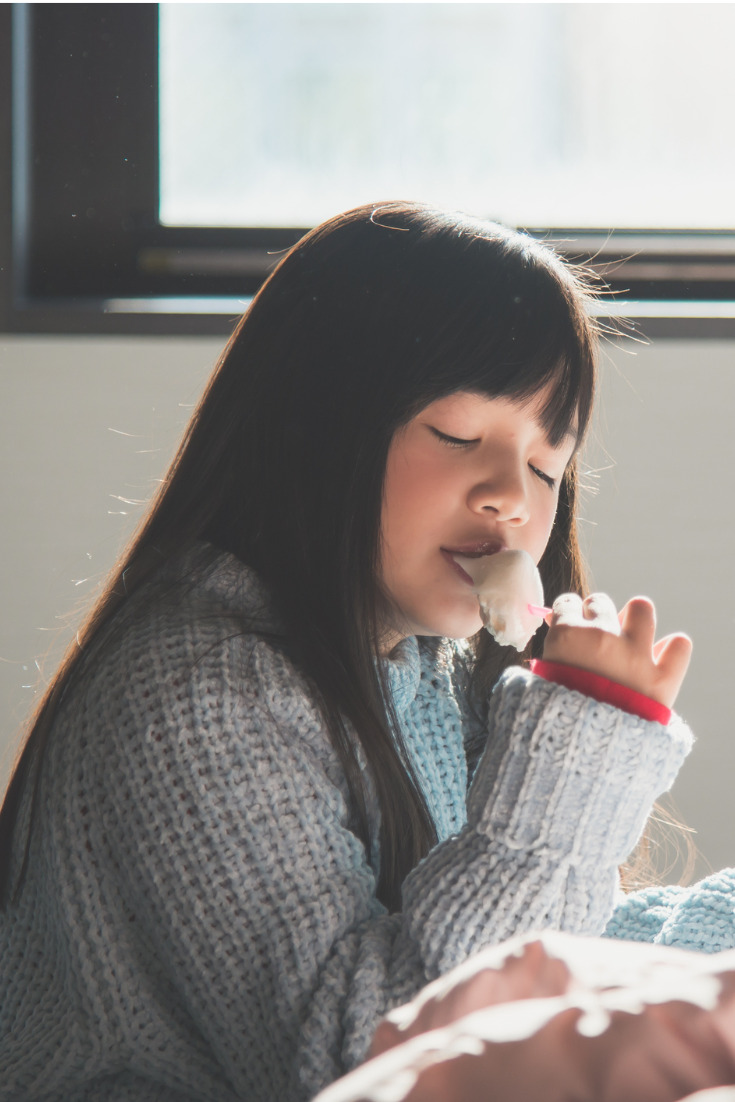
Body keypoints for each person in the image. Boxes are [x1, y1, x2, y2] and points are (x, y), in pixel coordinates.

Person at [0, 201, 694, 1101]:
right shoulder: (199, 694)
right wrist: (573, 759)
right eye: (457, 434)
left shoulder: (422, 667)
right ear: (315, 427)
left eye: (545, 465)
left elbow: (508, 957)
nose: (510, 497)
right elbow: (374, 1071)